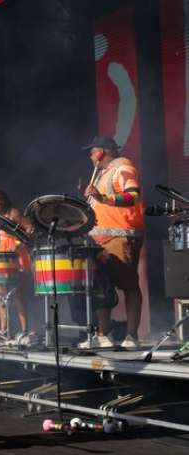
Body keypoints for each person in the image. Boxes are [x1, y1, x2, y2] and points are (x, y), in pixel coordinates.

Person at [82, 136, 144, 349]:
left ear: (101, 152)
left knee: (128, 285)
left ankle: (131, 337)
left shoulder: (123, 168)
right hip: (99, 239)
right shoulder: (101, 175)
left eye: (92, 152)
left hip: (120, 236)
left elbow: (132, 196)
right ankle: (103, 335)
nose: (90, 156)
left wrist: (103, 198)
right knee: (101, 287)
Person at [0, 189, 31, 342]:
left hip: (14, 260)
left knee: (16, 294)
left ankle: (25, 331)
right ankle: (4, 331)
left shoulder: (12, 213)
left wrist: (18, 243)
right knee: (1, 297)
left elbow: (30, 229)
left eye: (0, 198)